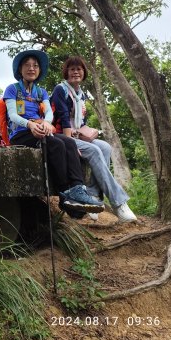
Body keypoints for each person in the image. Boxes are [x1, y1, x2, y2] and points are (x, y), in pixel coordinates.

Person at [3, 50, 105, 215]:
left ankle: (78, 188)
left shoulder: (41, 92)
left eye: (35, 66)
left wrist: (46, 122)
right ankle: (65, 193)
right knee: (57, 144)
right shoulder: (12, 89)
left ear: (39, 70)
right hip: (21, 133)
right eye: (27, 65)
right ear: (20, 70)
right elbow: (13, 115)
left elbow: (49, 113)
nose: (31, 68)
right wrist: (30, 125)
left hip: (40, 128)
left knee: (70, 142)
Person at [51, 55, 137, 223]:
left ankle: (92, 194)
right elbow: (61, 116)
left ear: (84, 72)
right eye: (72, 69)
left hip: (76, 134)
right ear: (66, 72)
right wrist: (71, 144)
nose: (76, 72)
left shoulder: (80, 95)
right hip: (62, 136)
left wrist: (87, 133)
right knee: (94, 149)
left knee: (105, 147)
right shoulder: (60, 89)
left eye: (79, 69)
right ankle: (119, 203)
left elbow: (80, 122)